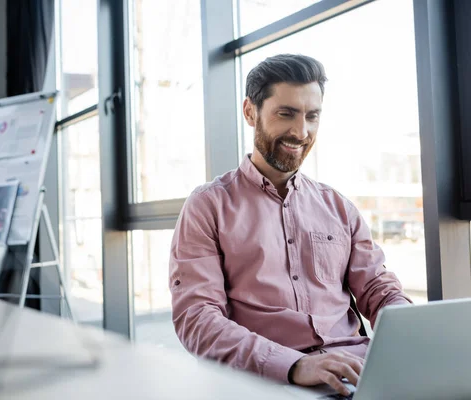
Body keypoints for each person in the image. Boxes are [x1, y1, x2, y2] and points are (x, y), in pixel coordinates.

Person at [169, 54, 411, 396]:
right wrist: (294, 365)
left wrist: (414, 337)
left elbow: (379, 290)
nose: (301, 132)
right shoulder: (208, 206)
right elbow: (197, 319)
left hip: (358, 373)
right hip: (268, 384)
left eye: (312, 116)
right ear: (250, 112)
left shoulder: (338, 207)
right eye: (286, 114)